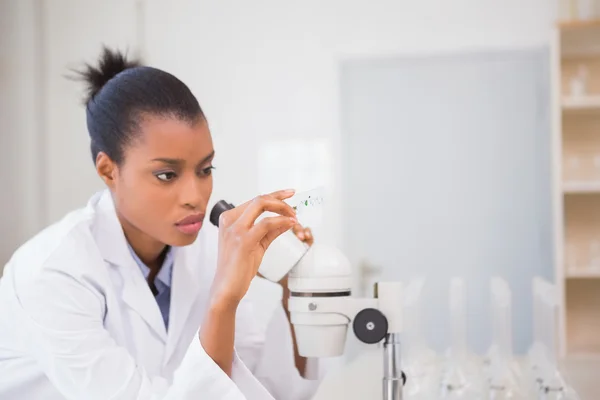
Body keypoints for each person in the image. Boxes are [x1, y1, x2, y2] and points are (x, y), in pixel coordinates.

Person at [0, 47, 320, 399]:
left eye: (205, 170)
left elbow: (265, 391)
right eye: (167, 174)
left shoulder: (206, 251)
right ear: (109, 170)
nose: (195, 196)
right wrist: (223, 298)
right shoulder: (52, 273)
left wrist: (295, 294)